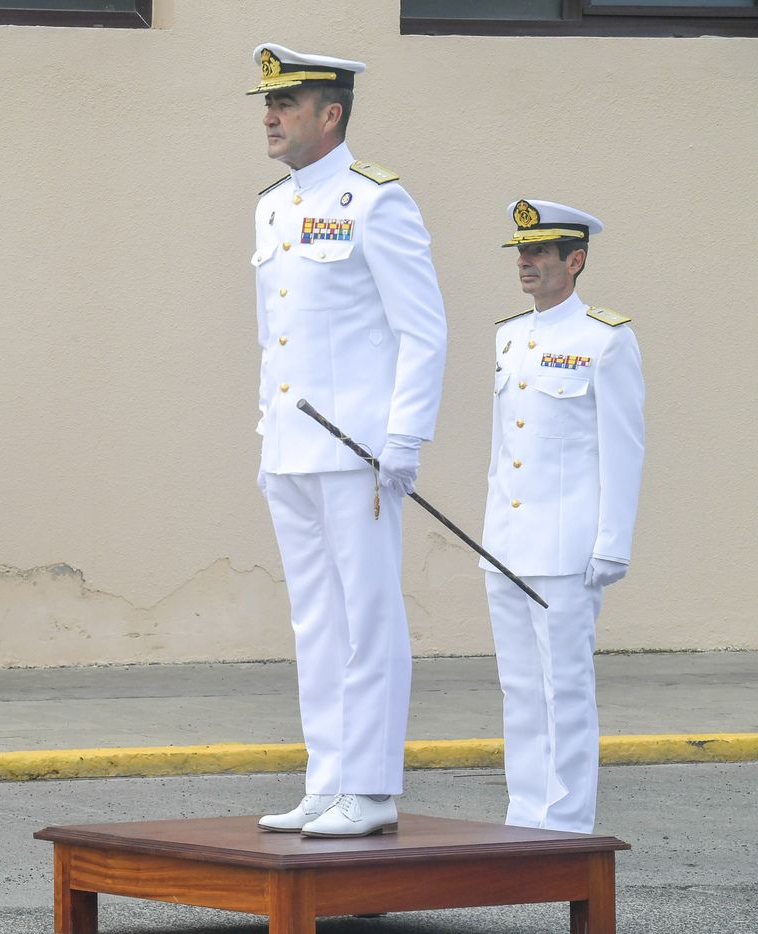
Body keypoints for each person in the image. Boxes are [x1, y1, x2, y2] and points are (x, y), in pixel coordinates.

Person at [246, 45, 449, 838]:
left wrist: (404, 437)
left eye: (286, 103)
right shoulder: (270, 206)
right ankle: (325, 777)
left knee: (369, 617)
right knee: (315, 621)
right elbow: (275, 340)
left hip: (359, 449)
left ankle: (370, 787)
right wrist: (267, 434)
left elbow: (422, 330)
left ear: (331, 113)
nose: (268, 115)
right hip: (291, 450)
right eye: (267, 103)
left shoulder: (377, 202)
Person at [483, 199, 644, 833]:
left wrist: (612, 542)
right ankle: (526, 812)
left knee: (566, 688)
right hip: (506, 542)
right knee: (519, 687)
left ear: (574, 261)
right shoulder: (508, 335)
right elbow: (505, 449)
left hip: (567, 544)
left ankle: (568, 820)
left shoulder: (606, 339)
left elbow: (624, 448)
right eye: (522, 252)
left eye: (540, 252)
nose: (526, 262)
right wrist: (490, 534)